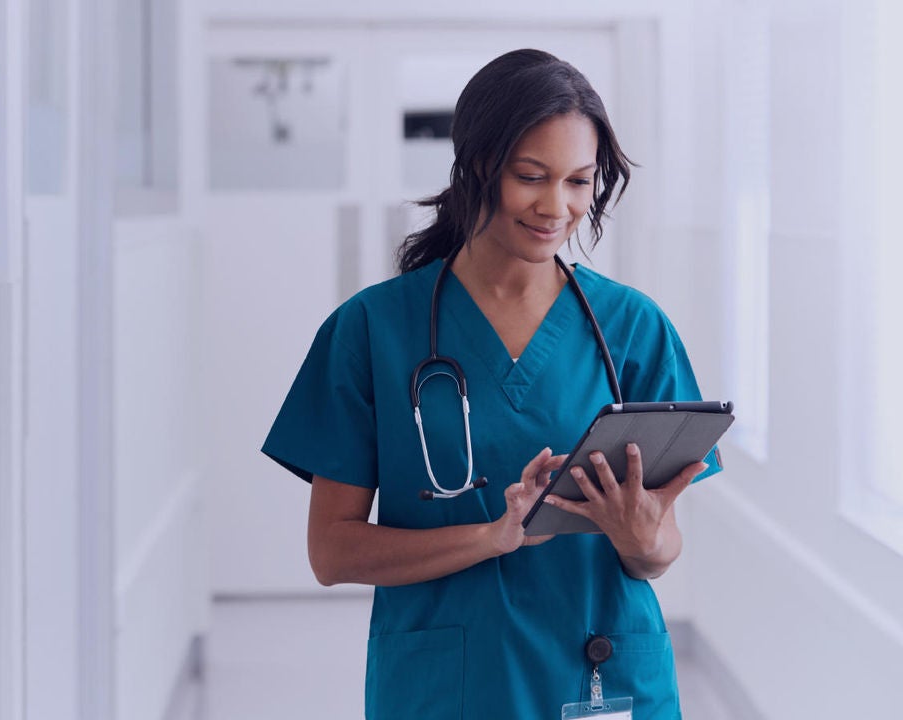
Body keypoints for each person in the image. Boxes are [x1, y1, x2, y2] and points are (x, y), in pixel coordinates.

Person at [261, 48, 721, 719]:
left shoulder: (632, 329)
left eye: (578, 181)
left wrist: (642, 535)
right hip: (449, 687)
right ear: (478, 165)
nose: (556, 206)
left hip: (600, 675)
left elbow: (658, 553)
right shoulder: (372, 331)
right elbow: (331, 552)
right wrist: (490, 536)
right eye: (531, 176)